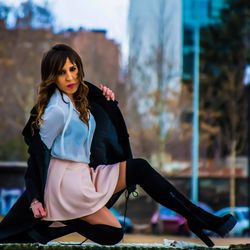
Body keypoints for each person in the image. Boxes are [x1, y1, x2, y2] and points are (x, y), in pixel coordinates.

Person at [0, 44, 236, 247]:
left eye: (73, 69)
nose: (70, 77)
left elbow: (89, 98)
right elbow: (37, 155)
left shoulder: (78, 95)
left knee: (140, 168)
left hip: (85, 175)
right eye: (62, 73)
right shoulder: (56, 110)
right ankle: (57, 216)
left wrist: (106, 98)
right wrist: (34, 198)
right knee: (113, 233)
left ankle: (198, 218)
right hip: (64, 184)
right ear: (52, 77)